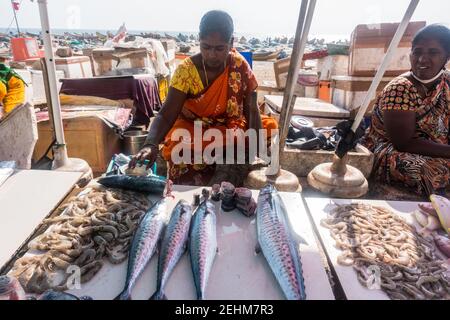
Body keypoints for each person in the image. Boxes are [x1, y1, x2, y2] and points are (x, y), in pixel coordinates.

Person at [129, 10, 278, 186]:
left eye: (219, 48)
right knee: (181, 150)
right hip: (194, 131)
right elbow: (165, 114)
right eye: (206, 47)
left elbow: (252, 110)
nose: (212, 54)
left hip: (228, 131)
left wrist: (258, 151)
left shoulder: (239, 66)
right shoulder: (186, 71)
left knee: (252, 143)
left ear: (231, 43)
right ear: (199, 40)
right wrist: (150, 144)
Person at [363, 24, 450, 196]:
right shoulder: (400, 88)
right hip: (391, 151)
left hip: (436, 148)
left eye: (433, 52)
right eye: (417, 52)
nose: (422, 59)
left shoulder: (446, 83)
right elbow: (403, 143)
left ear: (446, 57)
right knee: (432, 171)